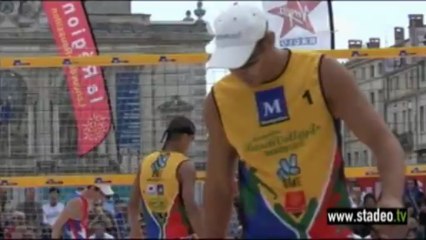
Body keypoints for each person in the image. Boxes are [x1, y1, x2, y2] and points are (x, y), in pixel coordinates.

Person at [202, 4, 406, 239]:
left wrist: (392, 198)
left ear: (269, 40)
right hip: (265, 230)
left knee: (398, 218)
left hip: (332, 219)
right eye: (232, 64)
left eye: (248, 63)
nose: (241, 73)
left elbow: (383, 141)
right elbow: (218, 183)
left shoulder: (322, 72)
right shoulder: (219, 101)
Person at [128, 116, 202, 239]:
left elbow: (132, 204)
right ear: (185, 137)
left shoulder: (146, 161)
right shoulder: (185, 165)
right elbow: (191, 207)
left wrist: (135, 232)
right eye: (191, 140)